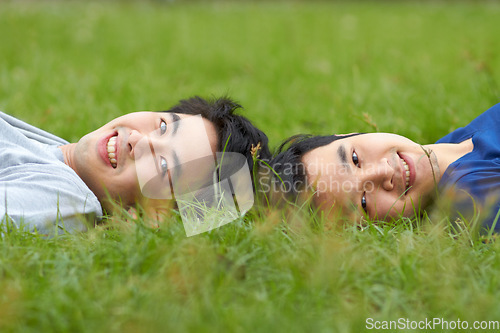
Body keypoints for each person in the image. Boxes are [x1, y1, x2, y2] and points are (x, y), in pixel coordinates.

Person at [1, 96, 271, 236]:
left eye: (164, 167)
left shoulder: (67, 199)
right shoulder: (51, 149)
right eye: (164, 127)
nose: (138, 141)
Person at [268, 103, 500, 233]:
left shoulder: (463, 140)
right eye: (363, 203)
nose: (382, 173)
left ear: (347, 134)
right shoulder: (475, 198)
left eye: (355, 159)